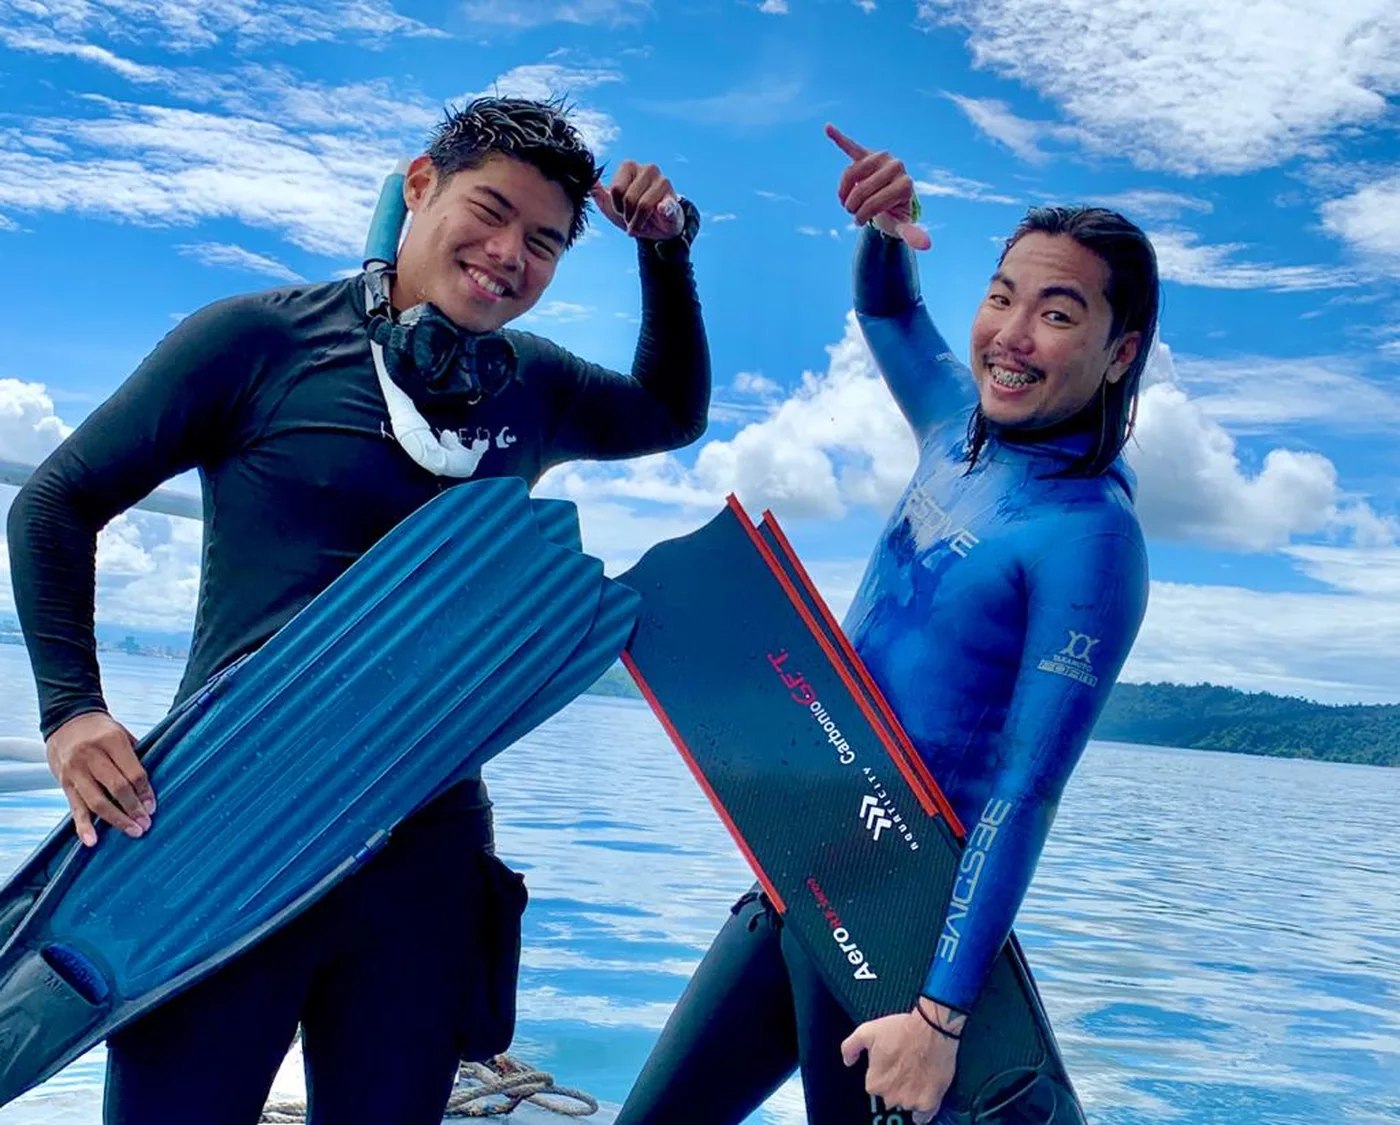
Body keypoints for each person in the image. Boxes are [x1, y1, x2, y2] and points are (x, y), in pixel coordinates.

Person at [7, 96, 710, 1125]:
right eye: (490, 211)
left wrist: (665, 250)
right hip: (221, 835)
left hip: (426, 848)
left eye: (544, 242)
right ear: (420, 185)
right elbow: (55, 503)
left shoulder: (532, 385)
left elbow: (670, 414)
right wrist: (72, 710)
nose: (508, 254)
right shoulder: (256, 341)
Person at [615, 123, 1155, 1125]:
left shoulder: (1090, 539)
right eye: (1001, 297)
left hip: (904, 938)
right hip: (801, 873)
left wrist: (941, 1018)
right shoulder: (956, 427)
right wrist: (885, 226)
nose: (1011, 334)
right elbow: (888, 307)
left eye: (1056, 313)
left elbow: (1024, 793)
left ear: (1119, 351)